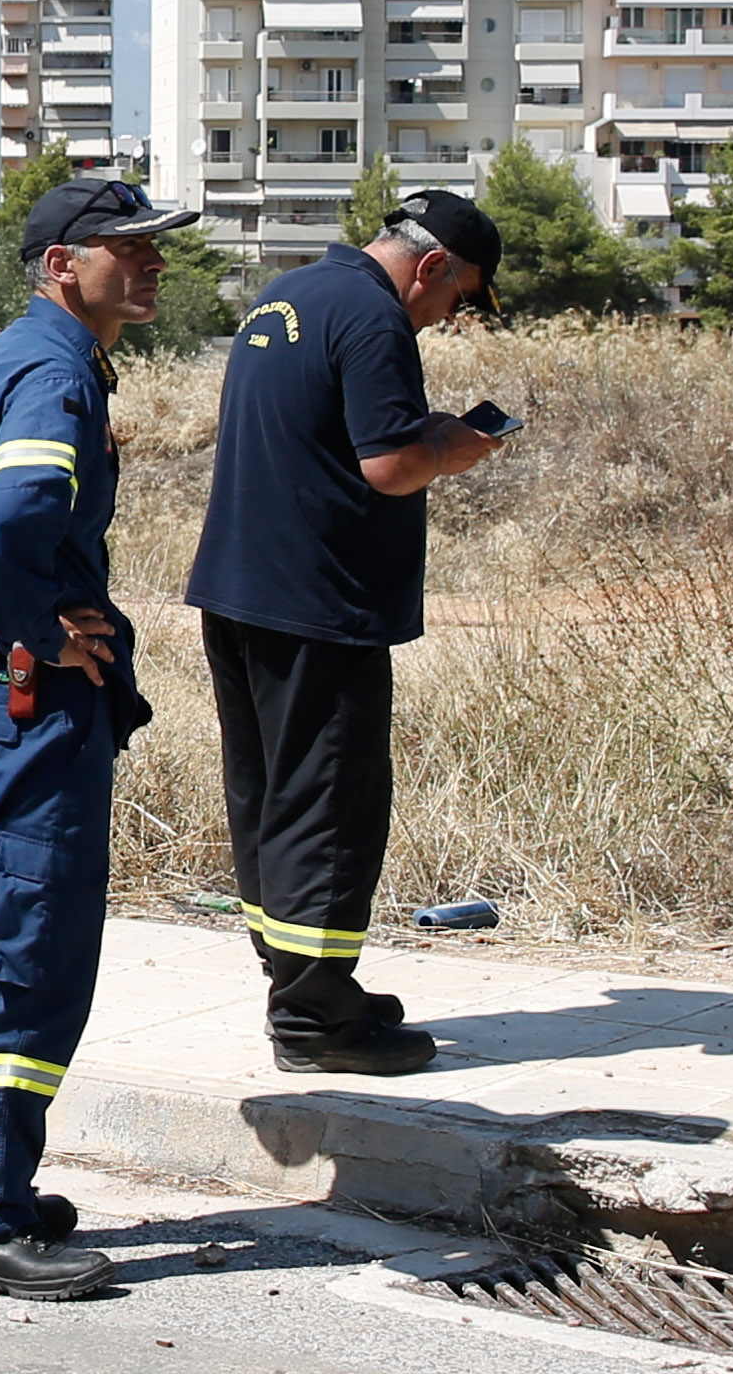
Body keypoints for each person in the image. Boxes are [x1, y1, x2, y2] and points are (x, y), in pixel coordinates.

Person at [0, 174, 194, 1301]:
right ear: (63, 264)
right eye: (130, 247)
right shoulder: (55, 375)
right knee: (28, 958)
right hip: (28, 709)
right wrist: (30, 631)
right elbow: (14, 515)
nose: (152, 263)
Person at [184, 190, 514, 1076]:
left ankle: (301, 978)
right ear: (433, 265)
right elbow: (393, 463)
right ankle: (315, 1019)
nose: (444, 319)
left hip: (242, 589)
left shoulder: (288, 295)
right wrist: (454, 445)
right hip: (319, 603)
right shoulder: (373, 319)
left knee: (268, 796)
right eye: (454, 300)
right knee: (329, 804)